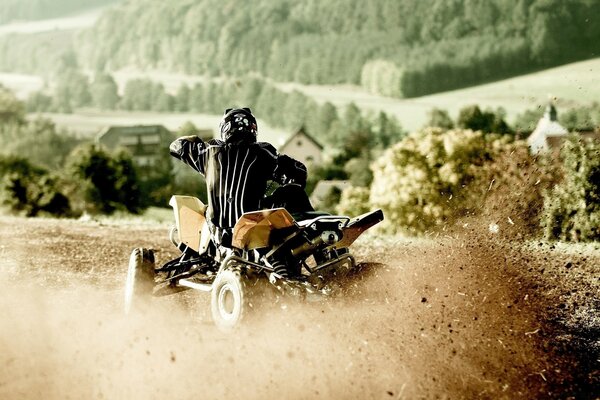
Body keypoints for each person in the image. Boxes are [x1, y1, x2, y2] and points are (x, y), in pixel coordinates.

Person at [170, 107, 311, 251]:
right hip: (255, 231)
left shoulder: (208, 152)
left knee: (202, 211)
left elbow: (176, 146)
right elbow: (299, 172)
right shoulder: (264, 153)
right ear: (253, 128)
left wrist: (194, 141)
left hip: (218, 233)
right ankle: (308, 242)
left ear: (225, 128)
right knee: (294, 192)